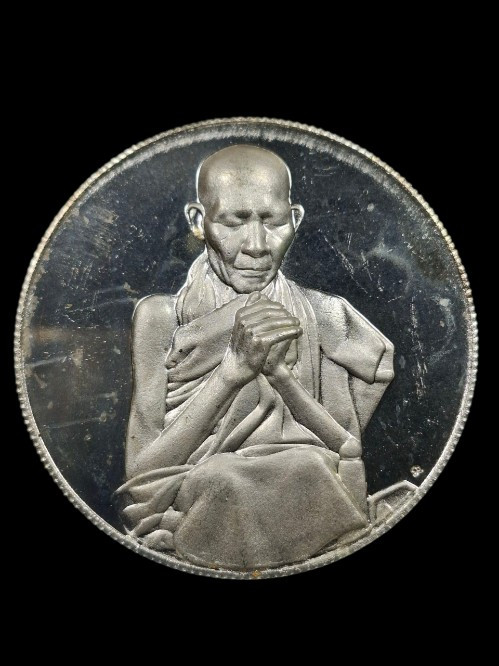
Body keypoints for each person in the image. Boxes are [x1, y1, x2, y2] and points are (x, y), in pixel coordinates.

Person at [117, 145, 395, 570]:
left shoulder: (325, 315)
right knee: (225, 478)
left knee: (307, 467)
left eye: (274, 222)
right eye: (234, 222)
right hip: (205, 488)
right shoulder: (161, 318)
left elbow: (342, 446)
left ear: (295, 219)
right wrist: (231, 373)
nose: (257, 246)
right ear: (199, 221)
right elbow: (142, 475)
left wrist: (281, 379)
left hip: (304, 477)